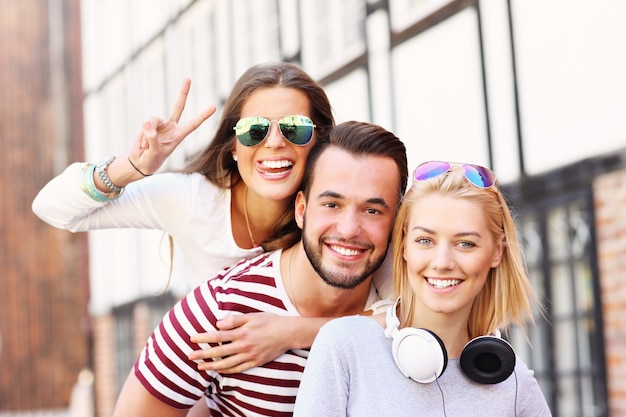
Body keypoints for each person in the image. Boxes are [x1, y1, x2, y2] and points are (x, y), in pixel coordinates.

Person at [32, 63, 394, 378]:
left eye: (294, 128)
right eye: (254, 130)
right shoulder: (193, 201)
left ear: (319, 141)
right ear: (233, 145)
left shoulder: (348, 225)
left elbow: (408, 317)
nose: (273, 144)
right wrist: (132, 167)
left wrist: (290, 333)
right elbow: (52, 207)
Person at [111, 121, 409, 417]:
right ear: (301, 210)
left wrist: (294, 333)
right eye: (332, 204)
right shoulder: (222, 312)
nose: (348, 229)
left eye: (372, 211)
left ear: (396, 222)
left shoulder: (413, 299)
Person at [293, 161, 552, 417]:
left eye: (465, 244)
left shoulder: (512, 380)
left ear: (497, 252)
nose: (442, 263)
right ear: (404, 245)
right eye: (425, 240)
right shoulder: (345, 346)